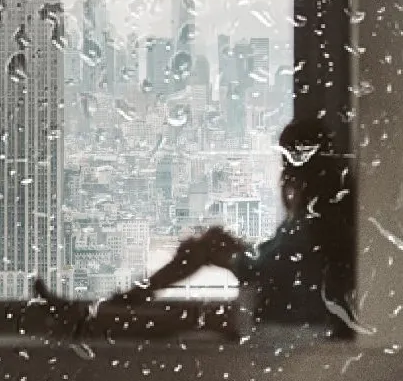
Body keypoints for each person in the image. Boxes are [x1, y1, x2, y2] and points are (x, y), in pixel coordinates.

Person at [34, 117, 355, 335]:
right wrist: (232, 248)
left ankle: (90, 314)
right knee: (200, 268)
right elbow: (283, 260)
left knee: (183, 315)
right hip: (282, 310)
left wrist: (232, 257)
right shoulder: (325, 201)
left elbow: (281, 266)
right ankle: (97, 309)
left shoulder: (321, 211)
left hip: (290, 326)